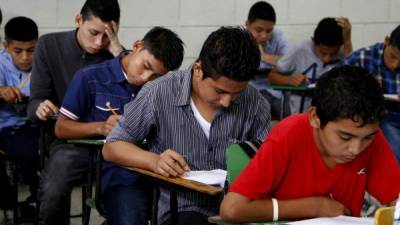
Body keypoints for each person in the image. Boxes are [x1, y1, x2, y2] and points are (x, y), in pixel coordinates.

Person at [102, 27, 272, 225]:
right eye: (219, 91)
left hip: (238, 211)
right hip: (181, 211)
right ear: (199, 70)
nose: (226, 102)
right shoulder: (160, 92)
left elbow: (269, 165)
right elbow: (113, 146)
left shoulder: (256, 104)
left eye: (236, 94)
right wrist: (155, 161)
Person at [219, 65, 400, 223]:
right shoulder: (289, 134)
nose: (356, 149)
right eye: (345, 137)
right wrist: (314, 207)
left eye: (367, 138)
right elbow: (231, 209)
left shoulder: (369, 136)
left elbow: (396, 198)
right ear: (315, 118)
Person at [54, 26, 184, 225]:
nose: (145, 79)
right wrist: (100, 127)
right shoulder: (90, 77)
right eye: (146, 66)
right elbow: (61, 128)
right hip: (117, 172)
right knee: (131, 216)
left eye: (156, 76)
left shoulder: (161, 89)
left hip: (156, 172)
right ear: (137, 46)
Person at [26, 0, 123, 224]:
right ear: (79, 20)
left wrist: (117, 50)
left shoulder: (116, 56)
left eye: (107, 35)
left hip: (112, 143)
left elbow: (138, 86)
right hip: (70, 140)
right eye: (94, 33)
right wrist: (40, 108)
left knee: (130, 192)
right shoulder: (50, 46)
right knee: (53, 190)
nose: (99, 43)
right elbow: (35, 101)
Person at [268, 17, 352, 114]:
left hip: (330, 117)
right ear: (315, 43)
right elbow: (271, 76)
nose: (327, 59)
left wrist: (347, 41)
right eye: (323, 53)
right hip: (300, 115)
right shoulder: (301, 49)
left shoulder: (345, 52)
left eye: (333, 54)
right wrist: (289, 80)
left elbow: (351, 78)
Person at [0, 16, 39, 218]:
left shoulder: (44, 63)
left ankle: (36, 200)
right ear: (6, 46)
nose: (25, 57)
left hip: (37, 125)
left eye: (31, 50)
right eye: (18, 51)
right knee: (26, 149)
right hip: (8, 127)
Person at [343, 25, 400, 163]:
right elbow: (334, 87)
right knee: (395, 147)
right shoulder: (361, 58)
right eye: (393, 56)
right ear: (386, 41)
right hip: (377, 118)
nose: (395, 65)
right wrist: (363, 88)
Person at [246, 1, 289, 119]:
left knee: (289, 113)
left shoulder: (278, 36)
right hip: (249, 92)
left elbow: (289, 61)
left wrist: (263, 56)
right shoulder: (239, 39)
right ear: (247, 24)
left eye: (269, 30)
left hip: (274, 91)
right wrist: (274, 60)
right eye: (258, 30)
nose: (264, 35)